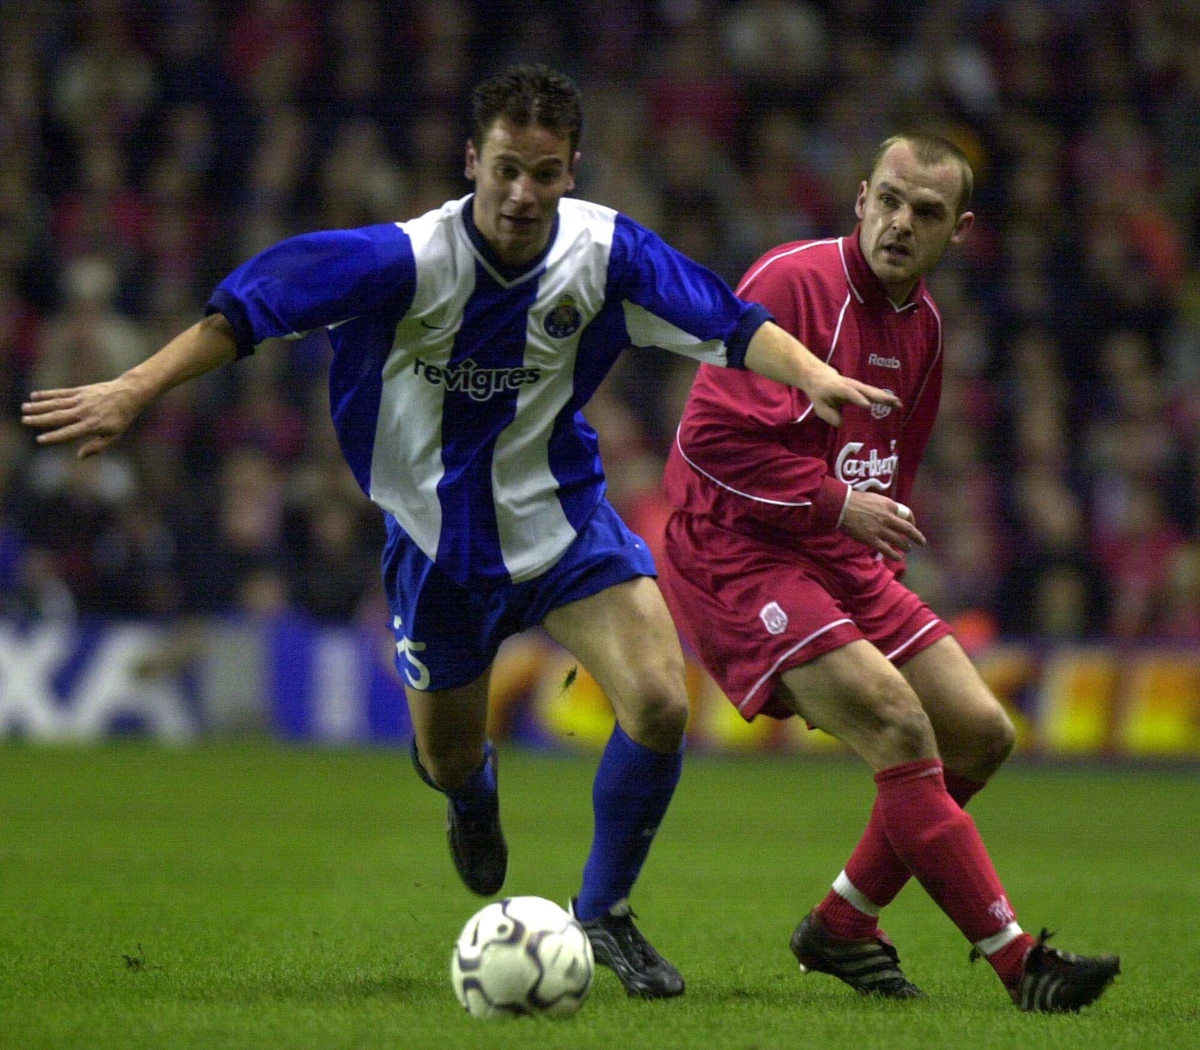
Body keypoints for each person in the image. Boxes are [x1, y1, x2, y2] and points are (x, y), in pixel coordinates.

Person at [21, 64, 897, 1000]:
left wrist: (812, 375)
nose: (523, 194)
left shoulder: (607, 253)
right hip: (437, 545)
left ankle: (604, 912)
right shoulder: (400, 261)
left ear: (571, 172)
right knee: (446, 757)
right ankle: (470, 794)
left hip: (564, 522)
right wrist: (132, 391)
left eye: (545, 174)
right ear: (473, 160)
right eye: (507, 170)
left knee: (659, 703)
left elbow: (730, 322)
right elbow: (248, 308)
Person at [658, 133, 1121, 1012]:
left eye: (927, 212)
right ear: (861, 198)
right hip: (735, 547)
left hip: (834, 548)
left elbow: (889, 460)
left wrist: (866, 536)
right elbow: (704, 443)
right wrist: (839, 505)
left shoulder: (928, 328)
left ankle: (842, 923)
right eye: (891, 201)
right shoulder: (790, 282)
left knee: (981, 734)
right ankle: (1022, 965)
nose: (902, 223)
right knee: (902, 726)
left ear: (959, 231)